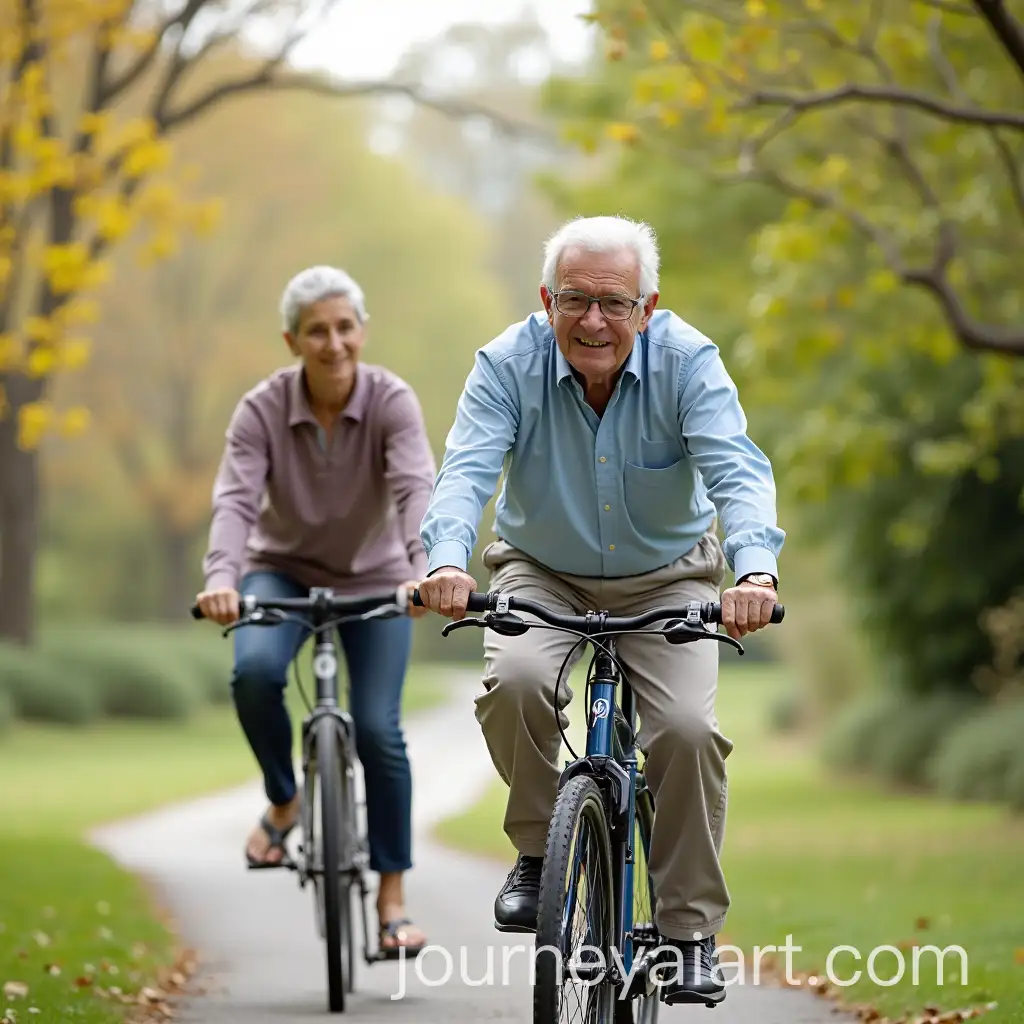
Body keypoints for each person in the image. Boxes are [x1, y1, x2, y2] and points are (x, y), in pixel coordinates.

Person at [416, 216, 785, 1004]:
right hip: (542, 571)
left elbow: (737, 472)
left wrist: (756, 573)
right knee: (514, 679)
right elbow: (466, 470)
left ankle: (687, 932)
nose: (593, 321)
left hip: (668, 579)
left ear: (647, 308)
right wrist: (445, 560)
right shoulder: (505, 365)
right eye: (576, 299)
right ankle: (540, 853)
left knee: (685, 732)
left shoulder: (690, 363)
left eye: (614, 304)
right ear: (547, 299)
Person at [195, 265, 435, 958]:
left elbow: (416, 487)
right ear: (292, 340)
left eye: (345, 328)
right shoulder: (261, 409)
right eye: (317, 331)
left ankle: (392, 900)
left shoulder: (392, 400)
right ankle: (284, 799)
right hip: (281, 574)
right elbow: (237, 501)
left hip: (381, 578)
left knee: (379, 731)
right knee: (254, 674)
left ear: (362, 331)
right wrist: (223, 578)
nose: (333, 344)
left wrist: (426, 573)